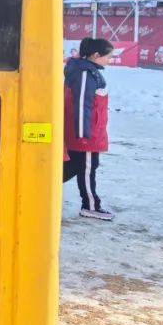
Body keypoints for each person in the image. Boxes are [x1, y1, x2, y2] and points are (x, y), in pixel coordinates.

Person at [63, 36, 114, 221]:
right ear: (96, 55)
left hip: (88, 131)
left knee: (76, 166)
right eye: (108, 57)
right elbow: (82, 104)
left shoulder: (88, 71)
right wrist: (83, 134)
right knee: (86, 168)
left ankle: (40, 187)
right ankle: (90, 206)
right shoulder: (85, 73)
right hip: (85, 133)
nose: (109, 61)